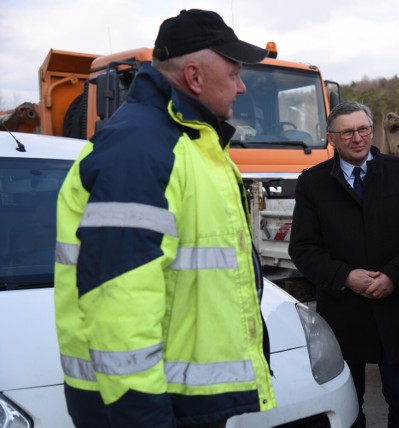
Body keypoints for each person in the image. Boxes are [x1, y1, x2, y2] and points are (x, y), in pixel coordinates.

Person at [54, 9, 276, 428]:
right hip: (148, 407)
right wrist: (144, 417)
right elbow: (120, 303)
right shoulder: (142, 150)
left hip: (176, 397)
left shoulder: (187, 141)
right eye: (233, 74)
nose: (242, 87)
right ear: (194, 77)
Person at [288, 101, 399, 428]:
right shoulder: (313, 183)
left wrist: (393, 276)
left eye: (363, 129)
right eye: (347, 132)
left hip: (396, 308)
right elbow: (302, 247)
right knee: (348, 404)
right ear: (331, 138)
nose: (358, 138)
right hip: (344, 315)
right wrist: (345, 276)